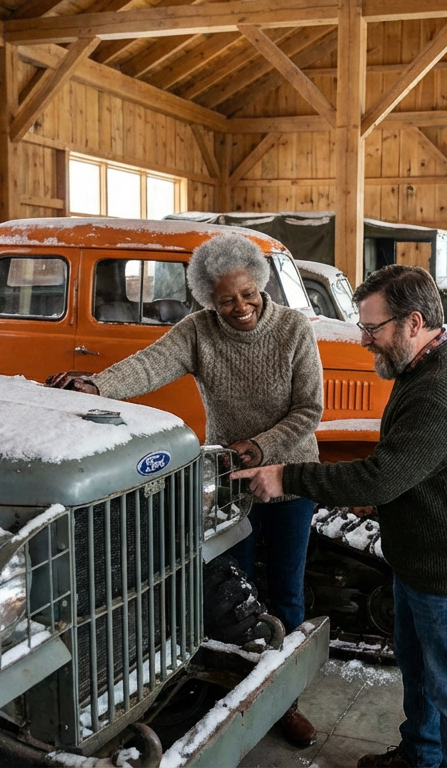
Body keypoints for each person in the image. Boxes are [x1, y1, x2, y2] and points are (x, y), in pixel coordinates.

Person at [46, 232, 323, 747]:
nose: (240, 307)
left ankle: (284, 700)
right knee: (226, 591)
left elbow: (310, 410)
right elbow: (149, 364)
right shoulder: (197, 332)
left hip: (289, 478)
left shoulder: (293, 329)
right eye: (225, 300)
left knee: (286, 589)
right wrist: (97, 386)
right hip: (228, 486)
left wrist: (261, 447)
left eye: (248, 294)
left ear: (261, 284)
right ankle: (231, 694)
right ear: (206, 299)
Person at [233, 264, 447, 768]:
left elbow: (382, 476)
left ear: (413, 322)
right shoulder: (423, 366)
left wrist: (287, 477)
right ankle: (421, 754)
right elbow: (405, 468)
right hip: (421, 557)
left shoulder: (441, 389)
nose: (364, 340)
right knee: (420, 670)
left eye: (372, 328)